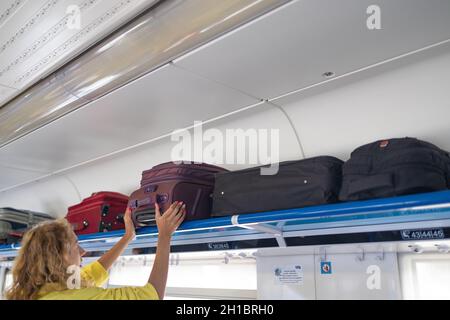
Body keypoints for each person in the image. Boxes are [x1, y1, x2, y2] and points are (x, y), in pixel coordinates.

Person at [6, 201, 186, 300]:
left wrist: (127, 237)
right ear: (60, 255)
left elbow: (89, 276)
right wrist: (164, 236)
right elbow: (150, 296)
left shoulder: (42, 291)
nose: (83, 251)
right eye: (76, 245)